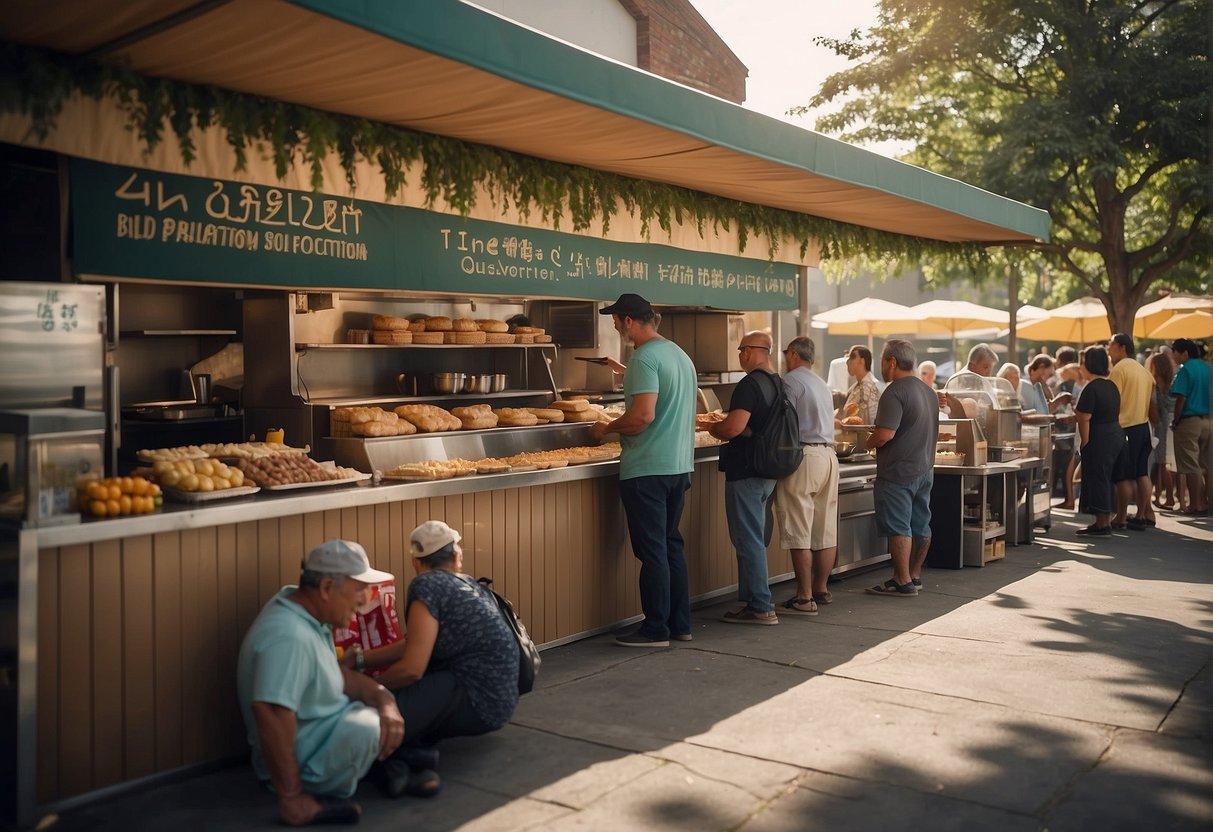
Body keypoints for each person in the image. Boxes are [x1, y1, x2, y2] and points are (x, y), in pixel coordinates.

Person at [236, 540, 405, 826]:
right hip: (303, 762)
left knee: (385, 712)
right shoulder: (288, 636)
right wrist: (292, 798)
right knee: (371, 728)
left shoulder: (308, 616)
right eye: (359, 590)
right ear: (326, 588)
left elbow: (338, 675)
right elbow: (271, 712)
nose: (366, 599)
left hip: (324, 732)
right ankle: (391, 767)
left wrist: (383, 698)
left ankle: (395, 765)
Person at [347, 521, 520, 798]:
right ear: (455, 556)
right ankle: (412, 759)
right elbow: (415, 642)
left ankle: (396, 762)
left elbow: (411, 670)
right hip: (501, 699)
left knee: (368, 717)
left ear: (416, 562)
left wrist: (365, 688)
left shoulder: (427, 585)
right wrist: (360, 661)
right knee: (398, 703)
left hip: (476, 698)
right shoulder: (468, 584)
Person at [588, 293, 697, 646]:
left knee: (652, 552)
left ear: (629, 321)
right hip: (678, 466)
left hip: (647, 470)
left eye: (616, 320)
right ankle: (680, 625)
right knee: (669, 547)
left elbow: (642, 417)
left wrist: (606, 427)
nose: (615, 325)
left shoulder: (644, 359)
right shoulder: (678, 355)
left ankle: (655, 629)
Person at [705, 331, 781, 625]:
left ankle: (761, 605)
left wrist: (715, 429)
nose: (739, 355)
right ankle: (753, 601)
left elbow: (734, 427)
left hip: (747, 469)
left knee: (747, 538)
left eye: (740, 350)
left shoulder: (749, 384)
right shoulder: (777, 383)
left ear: (750, 351)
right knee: (755, 537)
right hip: (769, 469)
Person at [864, 339, 938, 597]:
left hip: (898, 472)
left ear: (892, 361)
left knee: (899, 526)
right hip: (925, 469)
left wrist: (868, 441)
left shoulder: (895, 391)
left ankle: (901, 580)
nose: (882, 365)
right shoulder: (928, 391)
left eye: (883, 359)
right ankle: (914, 575)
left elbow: (885, 434)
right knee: (921, 524)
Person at [773, 336, 838, 615]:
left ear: (793, 355)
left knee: (798, 526)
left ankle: (804, 596)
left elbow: (781, 419)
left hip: (804, 456)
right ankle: (821, 589)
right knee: (824, 529)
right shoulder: (820, 382)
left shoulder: (790, 381)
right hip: (828, 456)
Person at [1107, 334, 1157, 530]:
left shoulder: (1120, 369)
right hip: (1144, 427)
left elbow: (1112, 400)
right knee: (1141, 472)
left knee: (1122, 476)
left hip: (1125, 426)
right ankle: (1141, 514)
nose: (1108, 350)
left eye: (1110, 345)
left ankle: (1120, 517)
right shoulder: (1143, 371)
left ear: (1121, 347)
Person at [1074, 347, 1122, 536]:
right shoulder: (1111, 385)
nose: (1080, 367)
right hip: (1114, 434)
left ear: (1089, 365)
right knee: (1106, 478)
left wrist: (1085, 442)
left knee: (1098, 478)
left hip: (1099, 437)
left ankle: (1103, 524)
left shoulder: (1091, 387)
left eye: (1082, 363)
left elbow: (1084, 417)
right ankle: (1102, 521)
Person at [1169, 338, 1211, 515]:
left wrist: (1176, 420)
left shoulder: (1185, 369)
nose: (1174, 356)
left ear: (1184, 353)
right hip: (1208, 420)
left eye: (1175, 352)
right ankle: (1208, 503)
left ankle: (1196, 505)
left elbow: (1181, 398)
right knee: (1208, 465)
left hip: (1190, 420)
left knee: (1190, 465)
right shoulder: (1208, 368)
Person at [1146, 351, 1177, 510]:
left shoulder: (1156, 382)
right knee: (1164, 463)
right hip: (1170, 422)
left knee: (1160, 463)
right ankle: (1164, 496)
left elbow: (1154, 404)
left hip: (1160, 424)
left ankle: (1166, 497)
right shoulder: (1171, 381)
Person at [836, 345, 880, 424]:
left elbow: (871, 422)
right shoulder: (856, 387)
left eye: (852, 357)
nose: (847, 362)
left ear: (862, 361)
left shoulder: (871, 388)